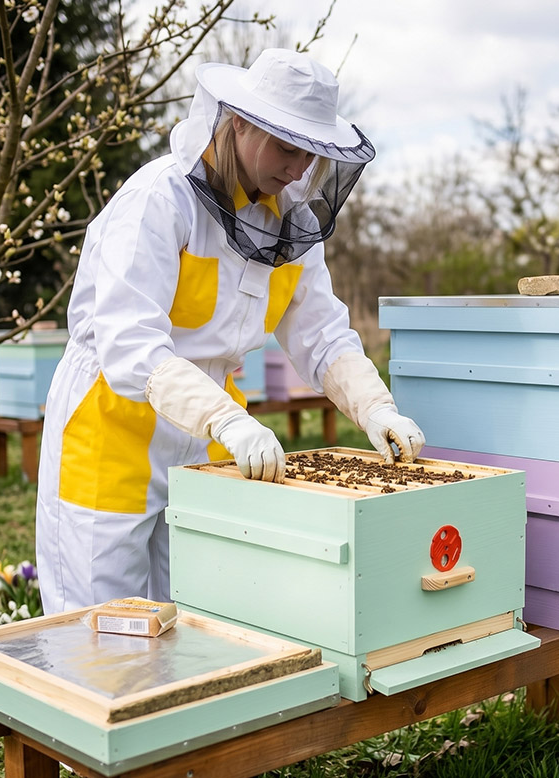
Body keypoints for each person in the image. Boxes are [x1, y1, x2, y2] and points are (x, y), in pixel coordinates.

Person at [35, 48, 425, 614]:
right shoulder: (158, 200)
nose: (298, 169)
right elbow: (130, 344)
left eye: (311, 154)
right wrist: (227, 419)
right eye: (287, 147)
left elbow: (322, 334)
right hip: (113, 425)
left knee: (200, 617)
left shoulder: (291, 225)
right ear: (239, 123)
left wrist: (375, 408)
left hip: (211, 435)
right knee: (99, 626)